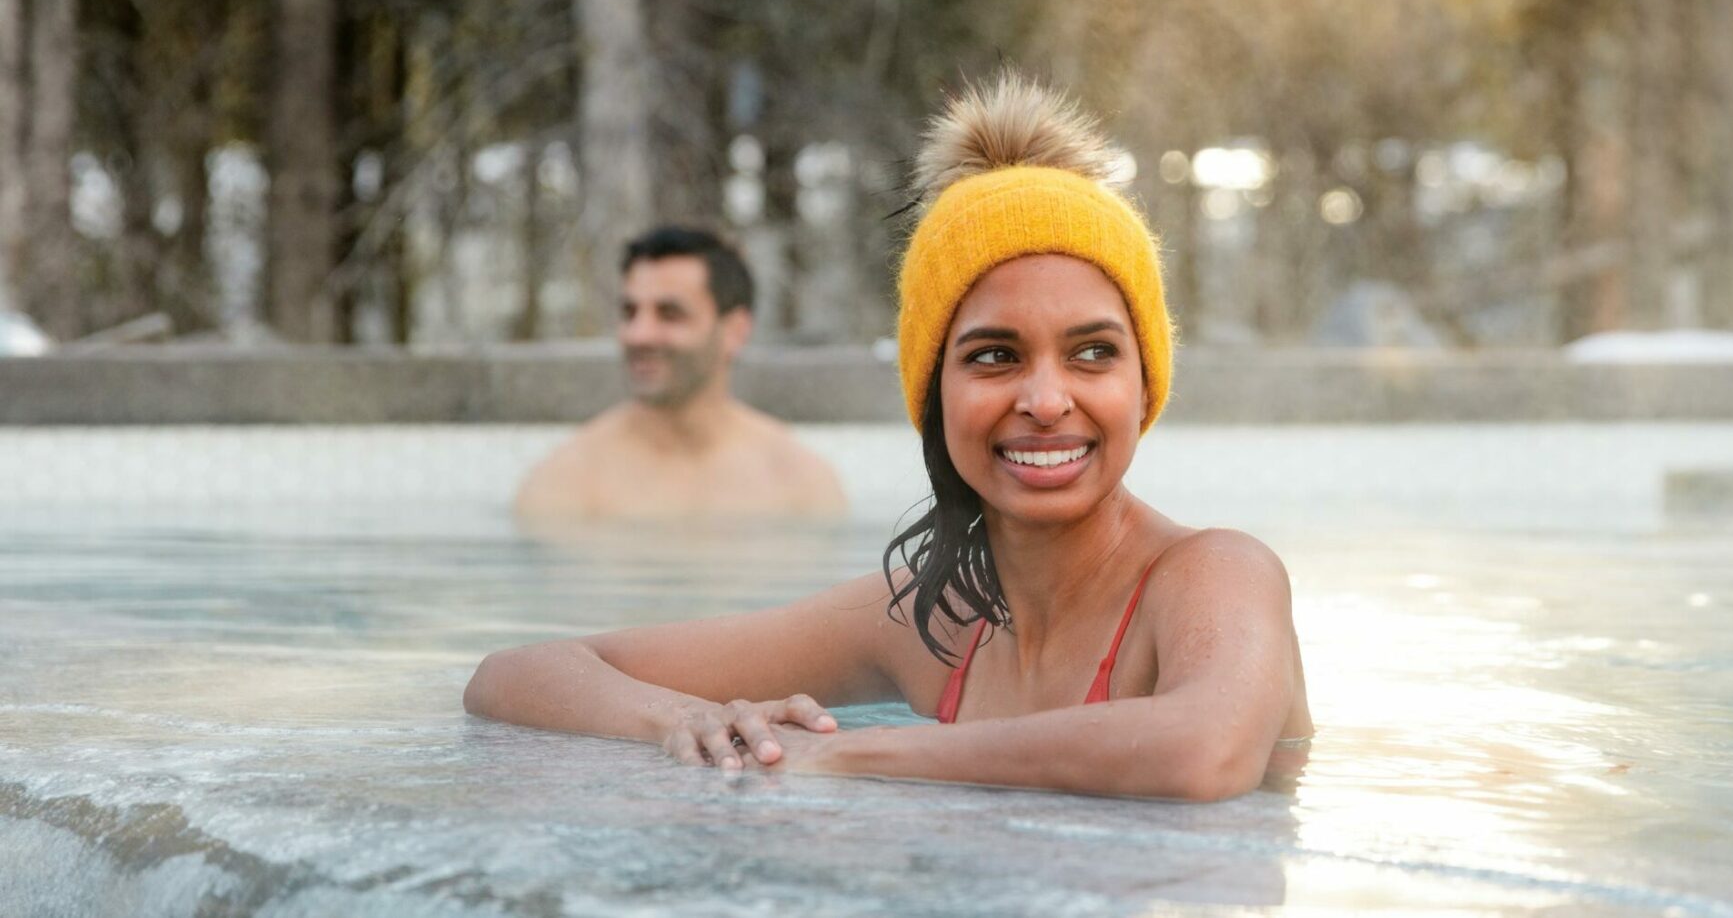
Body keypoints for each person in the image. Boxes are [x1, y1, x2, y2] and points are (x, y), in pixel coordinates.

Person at [467, 75, 1312, 800]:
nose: (1047, 400)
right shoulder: (924, 620)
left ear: (1144, 383)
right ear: (932, 390)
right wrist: (681, 719)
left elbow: (1205, 750)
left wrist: (852, 753)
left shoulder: (1214, 575)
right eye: (994, 356)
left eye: (1093, 352)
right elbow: (516, 674)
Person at [512, 226, 847, 521]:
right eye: (630, 312)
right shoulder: (567, 483)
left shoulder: (799, 483)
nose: (637, 335)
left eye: (670, 313)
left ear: (735, 331)